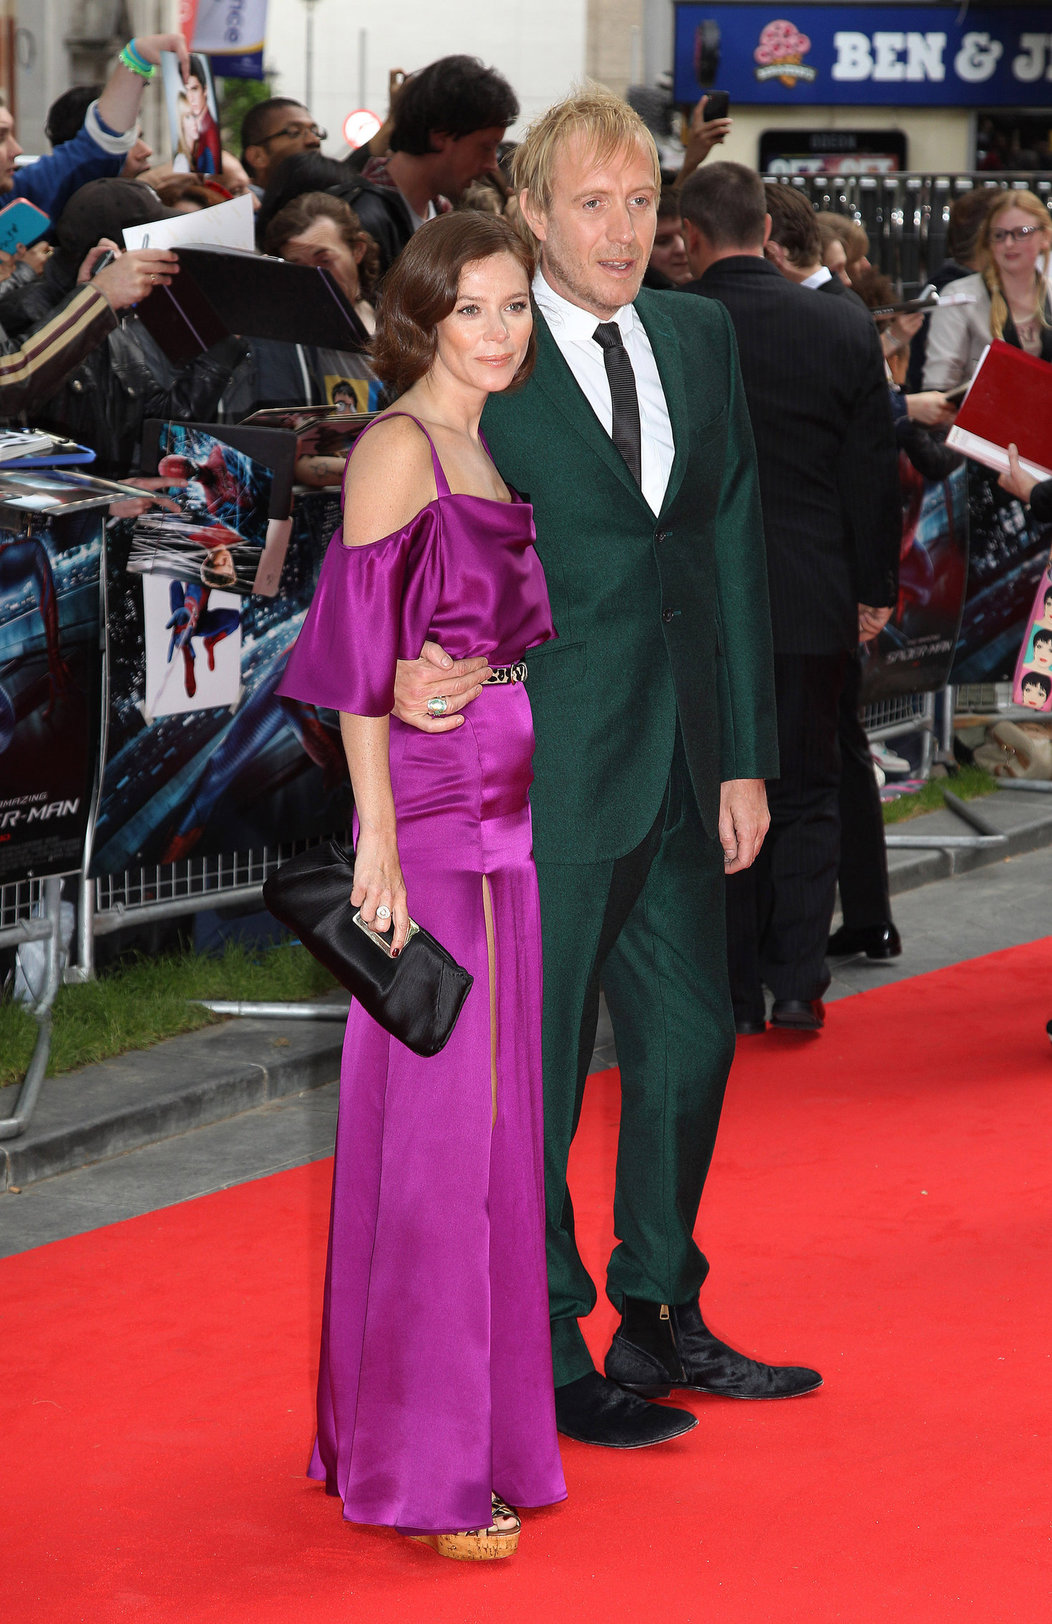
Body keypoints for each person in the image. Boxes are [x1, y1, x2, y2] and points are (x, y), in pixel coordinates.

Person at [393, 89, 821, 1448]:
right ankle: (547, 1335)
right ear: (530, 213)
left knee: (693, 1044)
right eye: (593, 203)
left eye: (642, 202)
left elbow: (729, 544)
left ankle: (658, 1308)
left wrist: (748, 754)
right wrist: (408, 675)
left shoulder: (698, 338)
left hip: (689, 758)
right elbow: (410, 515)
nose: (627, 229)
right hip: (541, 767)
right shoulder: (491, 356)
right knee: (532, 1073)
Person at [276, 211, 566, 1557]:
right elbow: (352, 661)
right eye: (476, 311)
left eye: (517, 308)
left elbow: (466, 647)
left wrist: (454, 678)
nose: (501, 332)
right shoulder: (398, 449)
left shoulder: (483, 443)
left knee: (499, 1140)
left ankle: (473, 1431)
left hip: (507, 822)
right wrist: (378, 839)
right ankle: (426, 1465)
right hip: (437, 828)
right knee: (443, 1147)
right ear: (424, 315)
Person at [680, 161, 900, 1033]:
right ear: (767, 233)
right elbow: (870, 468)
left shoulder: (674, 327)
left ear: (691, 239)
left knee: (717, 790)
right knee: (808, 788)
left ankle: (733, 993)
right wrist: (874, 586)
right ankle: (799, 982)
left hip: (705, 603)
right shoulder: (841, 325)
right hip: (813, 594)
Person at [351, 55, 519, 276]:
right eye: (486, 147)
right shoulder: (361, 221)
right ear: (440, 136)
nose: (491, 165)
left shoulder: (441, 214)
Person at [1, 32, 189, 218]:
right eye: (1, 137)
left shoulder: (16, 197)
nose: (17, 150)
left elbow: (96, 148)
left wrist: (138, 56)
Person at [923, 189, 1052, 390]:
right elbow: (937, 388)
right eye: (999, 235)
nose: (1009, 243)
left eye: (1021, 233)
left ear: (1045, 237)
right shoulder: (958, 297)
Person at [241, 98, 325, 193]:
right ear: (257, 156)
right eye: (295, 132)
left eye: (316, 132)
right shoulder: (240, 206)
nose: (314, 140)